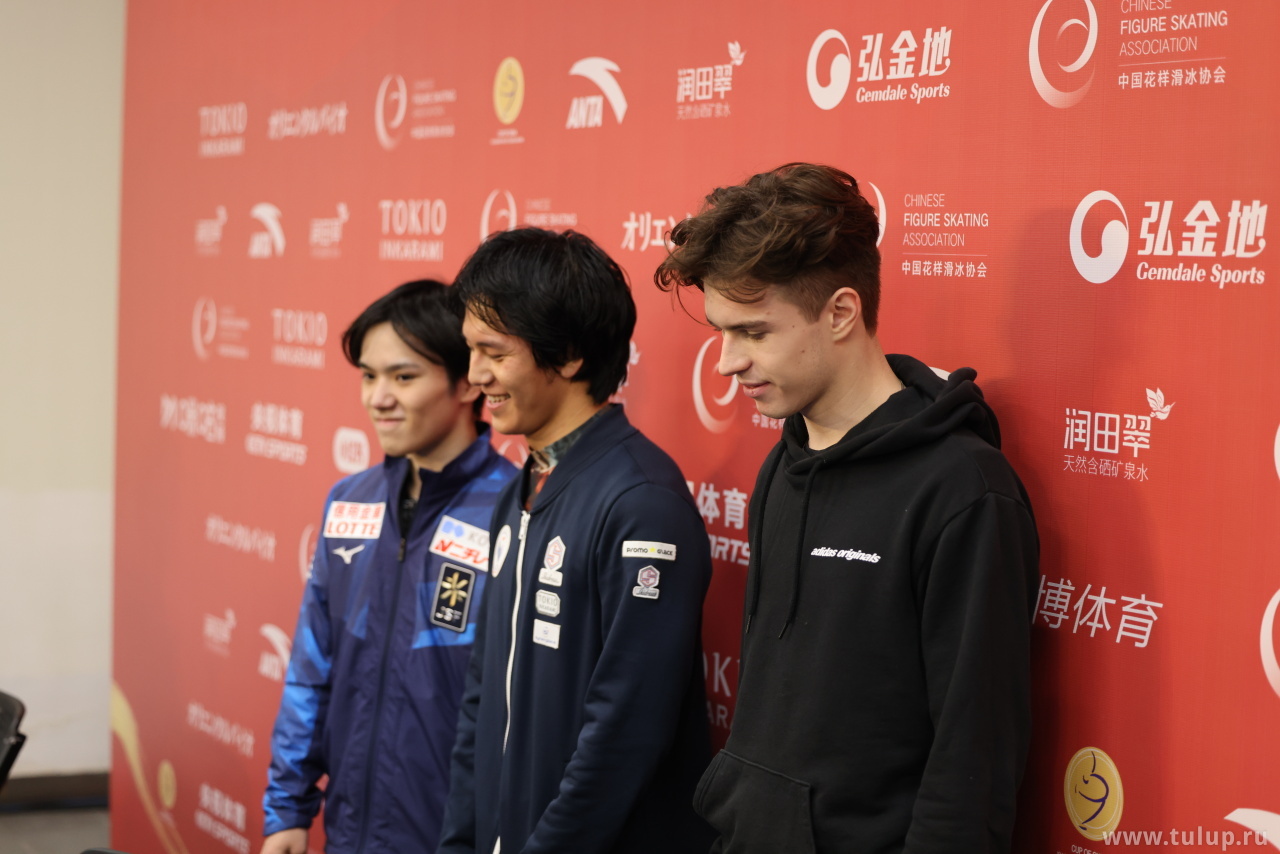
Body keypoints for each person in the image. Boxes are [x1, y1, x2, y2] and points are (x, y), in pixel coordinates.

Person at [654, 163, 1040, 853]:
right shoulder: (783, 464)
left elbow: (972, 768)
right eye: (720, 331)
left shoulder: (965, 492)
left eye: (753, 332)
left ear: (839, 313)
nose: (727, 362)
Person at [437, 228, 714, 854]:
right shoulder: (521, 487)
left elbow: (625, 733)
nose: (475, 376)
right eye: (470, 350)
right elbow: (481, 698)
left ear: (566, 355)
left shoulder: (642, 503)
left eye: (493, 352)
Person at [261, 280, 517, 854]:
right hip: (349, 832)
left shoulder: (513, 512)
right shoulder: (350, 502)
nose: (378, 398)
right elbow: (311, 666)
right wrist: (287, 809)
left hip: (455, 835)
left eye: (403, 377)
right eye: (368, 376)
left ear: (466, 382)